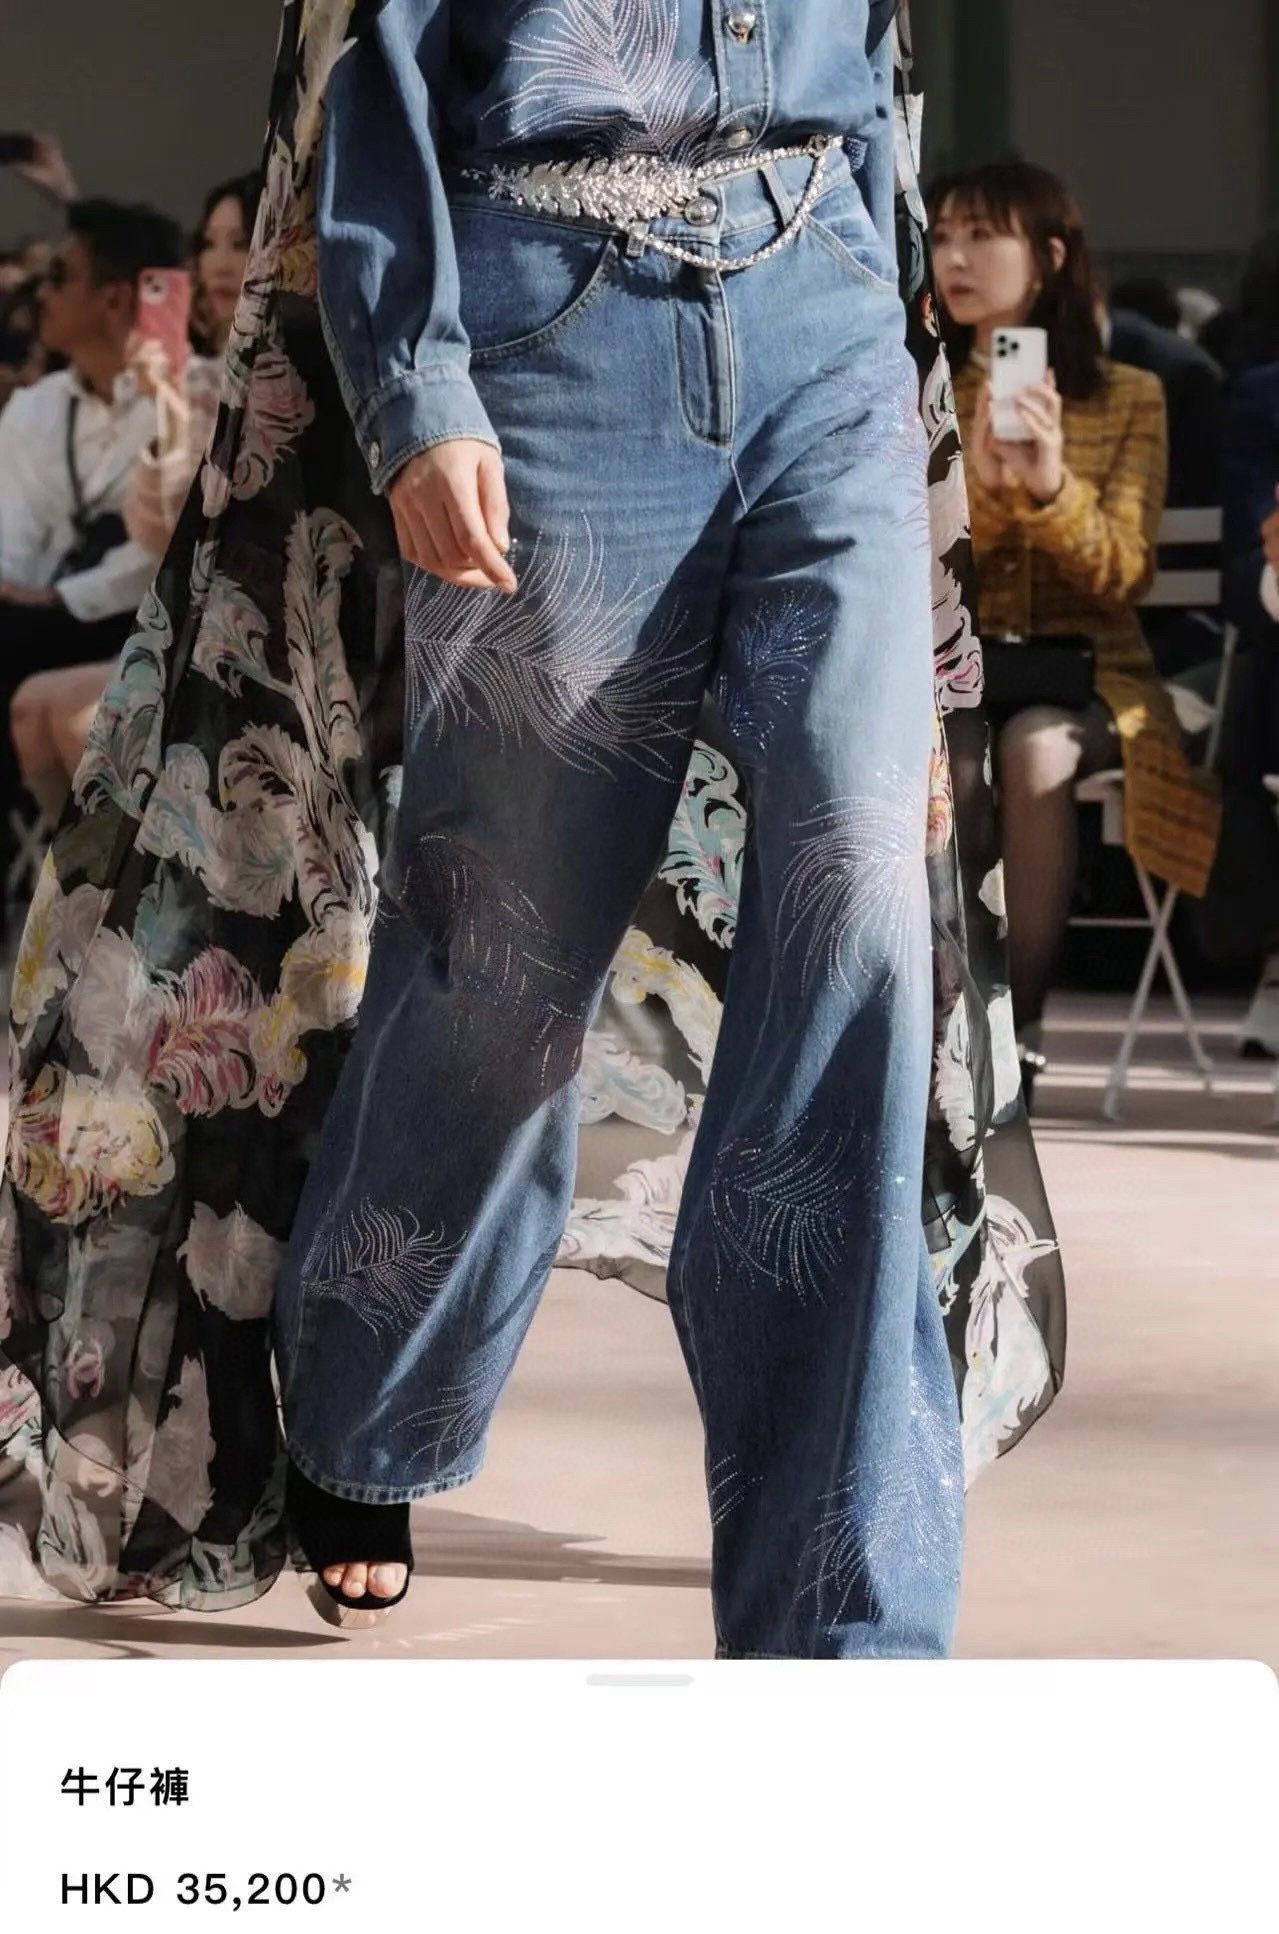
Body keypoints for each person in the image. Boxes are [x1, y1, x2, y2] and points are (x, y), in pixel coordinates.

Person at [0, 0, 1064, 1655]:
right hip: (555, 326)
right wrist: (416, 380)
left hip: (825, 305)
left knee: (854, 920)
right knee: (505, 963)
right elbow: (377, 46)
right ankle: (370, 1401)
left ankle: (842, 1618)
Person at [929, 161, 1220, 1095]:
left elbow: (1123, 575)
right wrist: (977, 488)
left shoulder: (1127, 395)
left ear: (1049, 257)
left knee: (1035, 751)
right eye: (941, 236)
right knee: (954, 752)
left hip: (1095, 678)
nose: (953, 258)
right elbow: (915, 565)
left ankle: (1013, 1024)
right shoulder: (925, 387)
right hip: (956, 672)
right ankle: (941, 1018)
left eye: (981, 235)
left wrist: (1049, 486)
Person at [5, 177, 257, 821]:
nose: (219, 262)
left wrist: (168, 407)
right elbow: (151, 529)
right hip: (88, 608)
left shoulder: (206, 385)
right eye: (209, 243)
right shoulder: (37, 407)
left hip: (168, 614)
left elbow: (161, 552)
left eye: (240, 242)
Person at [0, 198, 185, 850]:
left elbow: (162, 547)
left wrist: (56, 597)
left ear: (112, 297)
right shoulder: (37, 407)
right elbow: (12, 525)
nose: (41, 295)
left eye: (59, 277)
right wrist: (21, 590)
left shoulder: (184, 395)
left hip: (135, 612)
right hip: (37, 616)